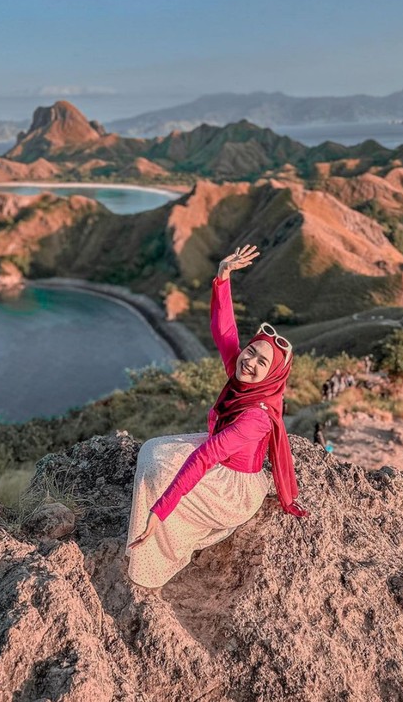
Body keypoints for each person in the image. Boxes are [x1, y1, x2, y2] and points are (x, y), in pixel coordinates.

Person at [125, 244, 309, 589]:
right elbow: (225, 334)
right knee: (151, 451)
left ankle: (162, 549)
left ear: (272, 375)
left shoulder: (257, 414)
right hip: (220, 457)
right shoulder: (243, 380)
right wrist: (223, 276)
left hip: (233, 487)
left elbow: (207, 455)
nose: (249, 362)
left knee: (157, 472)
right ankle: (157, 527)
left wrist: (161, 510)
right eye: (251, 352)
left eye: (261, 363)